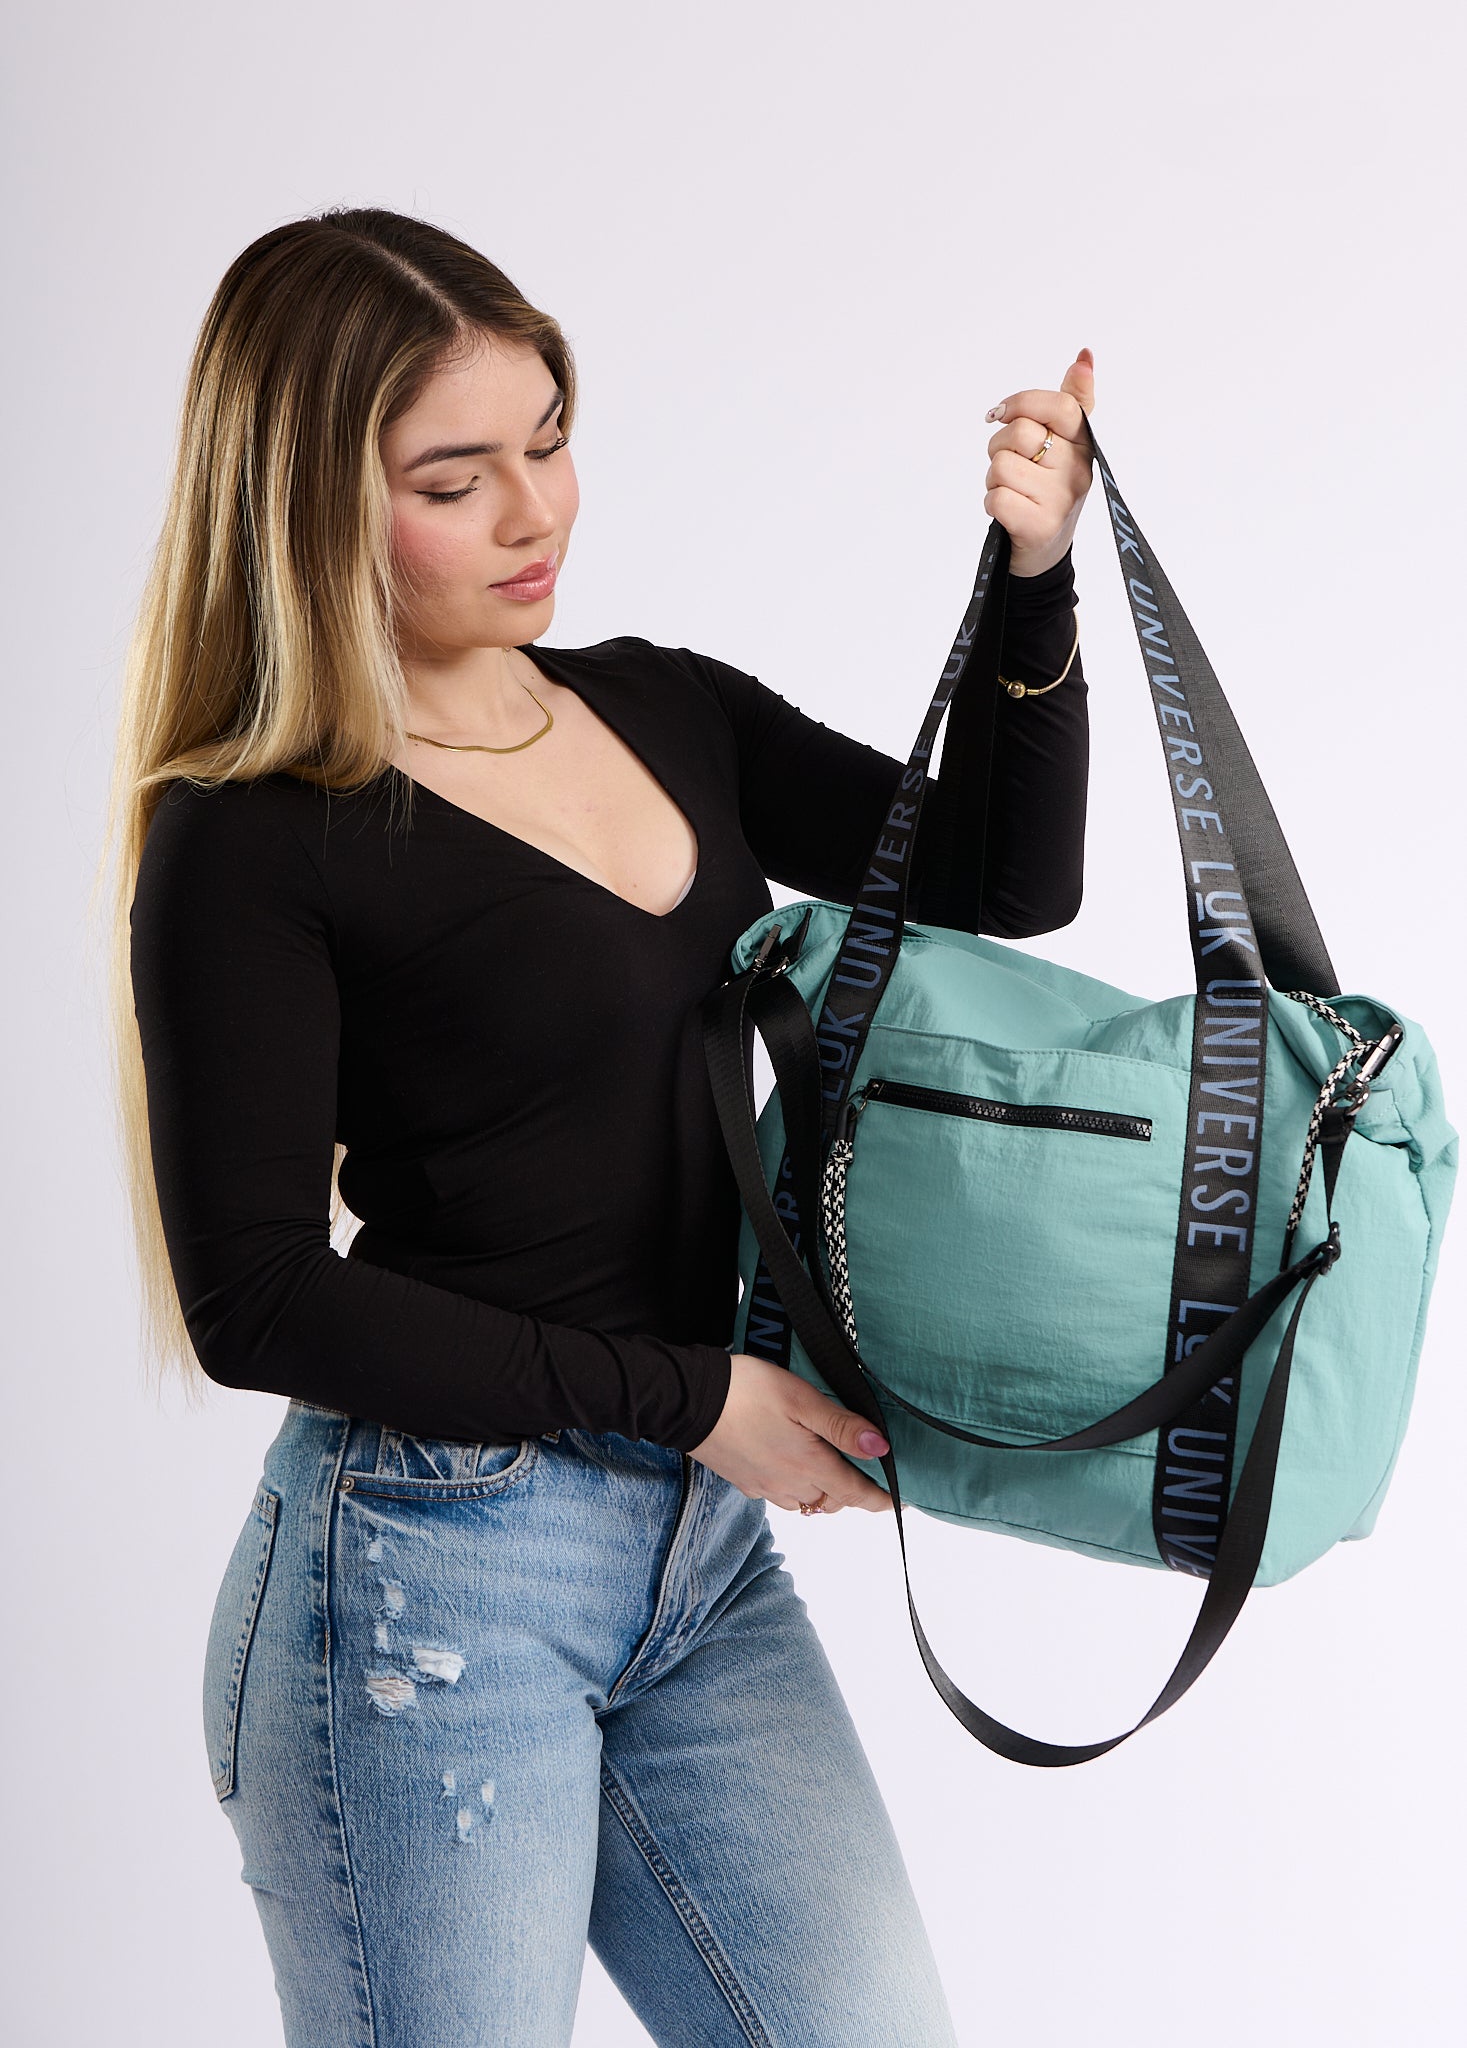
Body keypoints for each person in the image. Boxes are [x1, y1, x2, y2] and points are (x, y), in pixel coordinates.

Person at [110, 206, 1095, 2046]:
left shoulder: (663, 706)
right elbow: (257, 1299)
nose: (533, 513)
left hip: (697, 1563)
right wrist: (696, 1396)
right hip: (422, 1580)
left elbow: (1002, 877)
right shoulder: (251, 837)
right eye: (454, 480)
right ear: (309, 507)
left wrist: (1032, 580)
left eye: (549, 442)